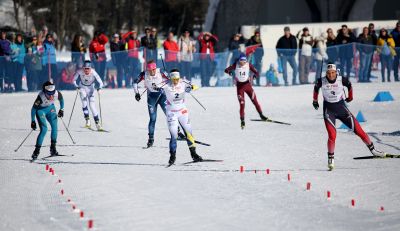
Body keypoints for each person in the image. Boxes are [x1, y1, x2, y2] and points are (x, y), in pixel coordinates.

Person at [312, 63, 386, 171]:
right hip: (329, 111)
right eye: (328, 73)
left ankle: (374, 150)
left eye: (332, 73)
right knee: (332, 135)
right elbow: (315, 89)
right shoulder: (321, 81)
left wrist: (350, 97)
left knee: (360, 131)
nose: (331, 75)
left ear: (336, 72)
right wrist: (315, 101)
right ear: (326, 73)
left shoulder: (342, 79)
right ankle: (331, 159)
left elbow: (350, 86)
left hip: (342, 110)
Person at [164, 69, 203, 165]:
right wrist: (158, 89)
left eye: (177, 79)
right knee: (174, 136)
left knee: (189, 133)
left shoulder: (183, 82)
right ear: (171, 78)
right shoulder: (166, 85)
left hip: (182, 112)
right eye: (173, 79)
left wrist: (192, 87)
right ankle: (172, 156)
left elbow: (197, 86)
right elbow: (156, 87)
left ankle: (194, 154)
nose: (175, 81)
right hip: (171, 113)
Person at [224, 53, 268, 129]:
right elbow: (226, 70)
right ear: (239, 60)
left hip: (248, 86)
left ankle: (261, 115)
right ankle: (242, 120)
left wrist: (254, 76)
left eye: (244, 60)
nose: (243, 62)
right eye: (241, 60)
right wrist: (230, 72)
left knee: (255, 101)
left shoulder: (248, 65)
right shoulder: (236, 65)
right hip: (240, 87)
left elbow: (257, 72)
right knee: (242, 104)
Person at [133, 60, 169, 148]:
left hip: (162, 96)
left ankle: (178, 132)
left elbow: (170, 80)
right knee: (153, 119)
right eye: (150, 70)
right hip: (151, 98)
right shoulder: (144, 74)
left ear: (155, 68)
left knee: (169, 115)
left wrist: (165, 83)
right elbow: (134, 82)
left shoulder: (160, 71)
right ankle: (151, 139)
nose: (151, 72)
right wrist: (137, 93)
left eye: (153, 69)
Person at [30, 81, 64, 161]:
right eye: (49, 93)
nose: (51, 95)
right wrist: (33, 121)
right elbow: (34, 109)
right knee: (44, 130)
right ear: (44, 92)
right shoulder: (40, 97)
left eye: (52, 93)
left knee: (55, 127)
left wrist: (61, 109)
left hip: (50, 109)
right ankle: (36, 152)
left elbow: (61, 100)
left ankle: (53, 148)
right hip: (41, 110)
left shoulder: (57, 93)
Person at [73, 60, 104, 130]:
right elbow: (73, 80)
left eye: (88, 69)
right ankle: (88, 121)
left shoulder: (93, 72)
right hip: (82, 88)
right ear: (83, 68)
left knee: (92, 106)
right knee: (84, 104)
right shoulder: (79, 71)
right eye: (85, 68)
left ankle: (97, 123)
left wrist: (99, 88)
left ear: (90, 68)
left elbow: (101, 82)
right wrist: (76, 86)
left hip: (91, 89)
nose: (86, 70)